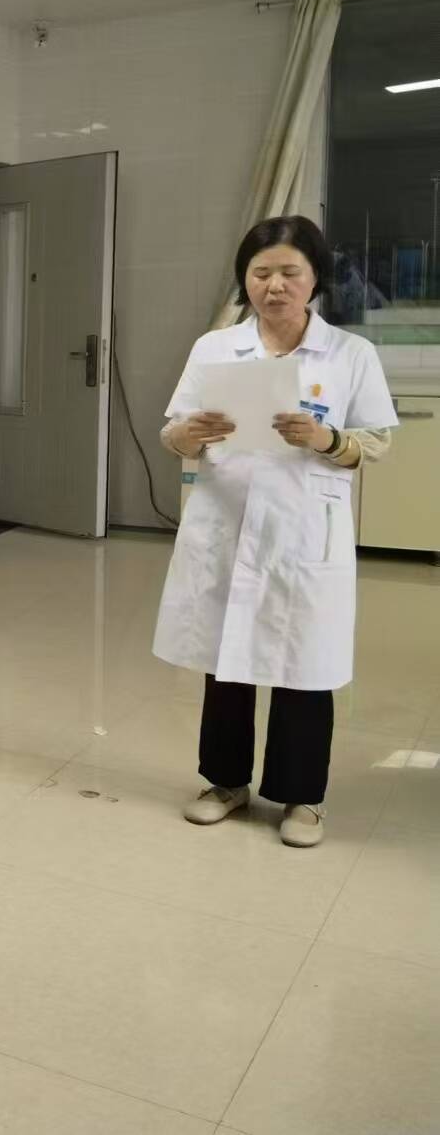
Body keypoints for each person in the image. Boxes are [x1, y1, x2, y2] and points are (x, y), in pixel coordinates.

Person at [155, 215, 397, 849]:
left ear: (315, 279)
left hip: (305, 527)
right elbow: (173, 432)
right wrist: (190, 434)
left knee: (304, 664)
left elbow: (374, 443)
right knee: (225, 660)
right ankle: (224, 783)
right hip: (226, 521)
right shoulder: (215, 348)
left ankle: (303, 797)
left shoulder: (349, 354)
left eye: (290, 272)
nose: (275, 285)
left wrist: (326, 438)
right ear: (246, 279)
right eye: (261, 273)